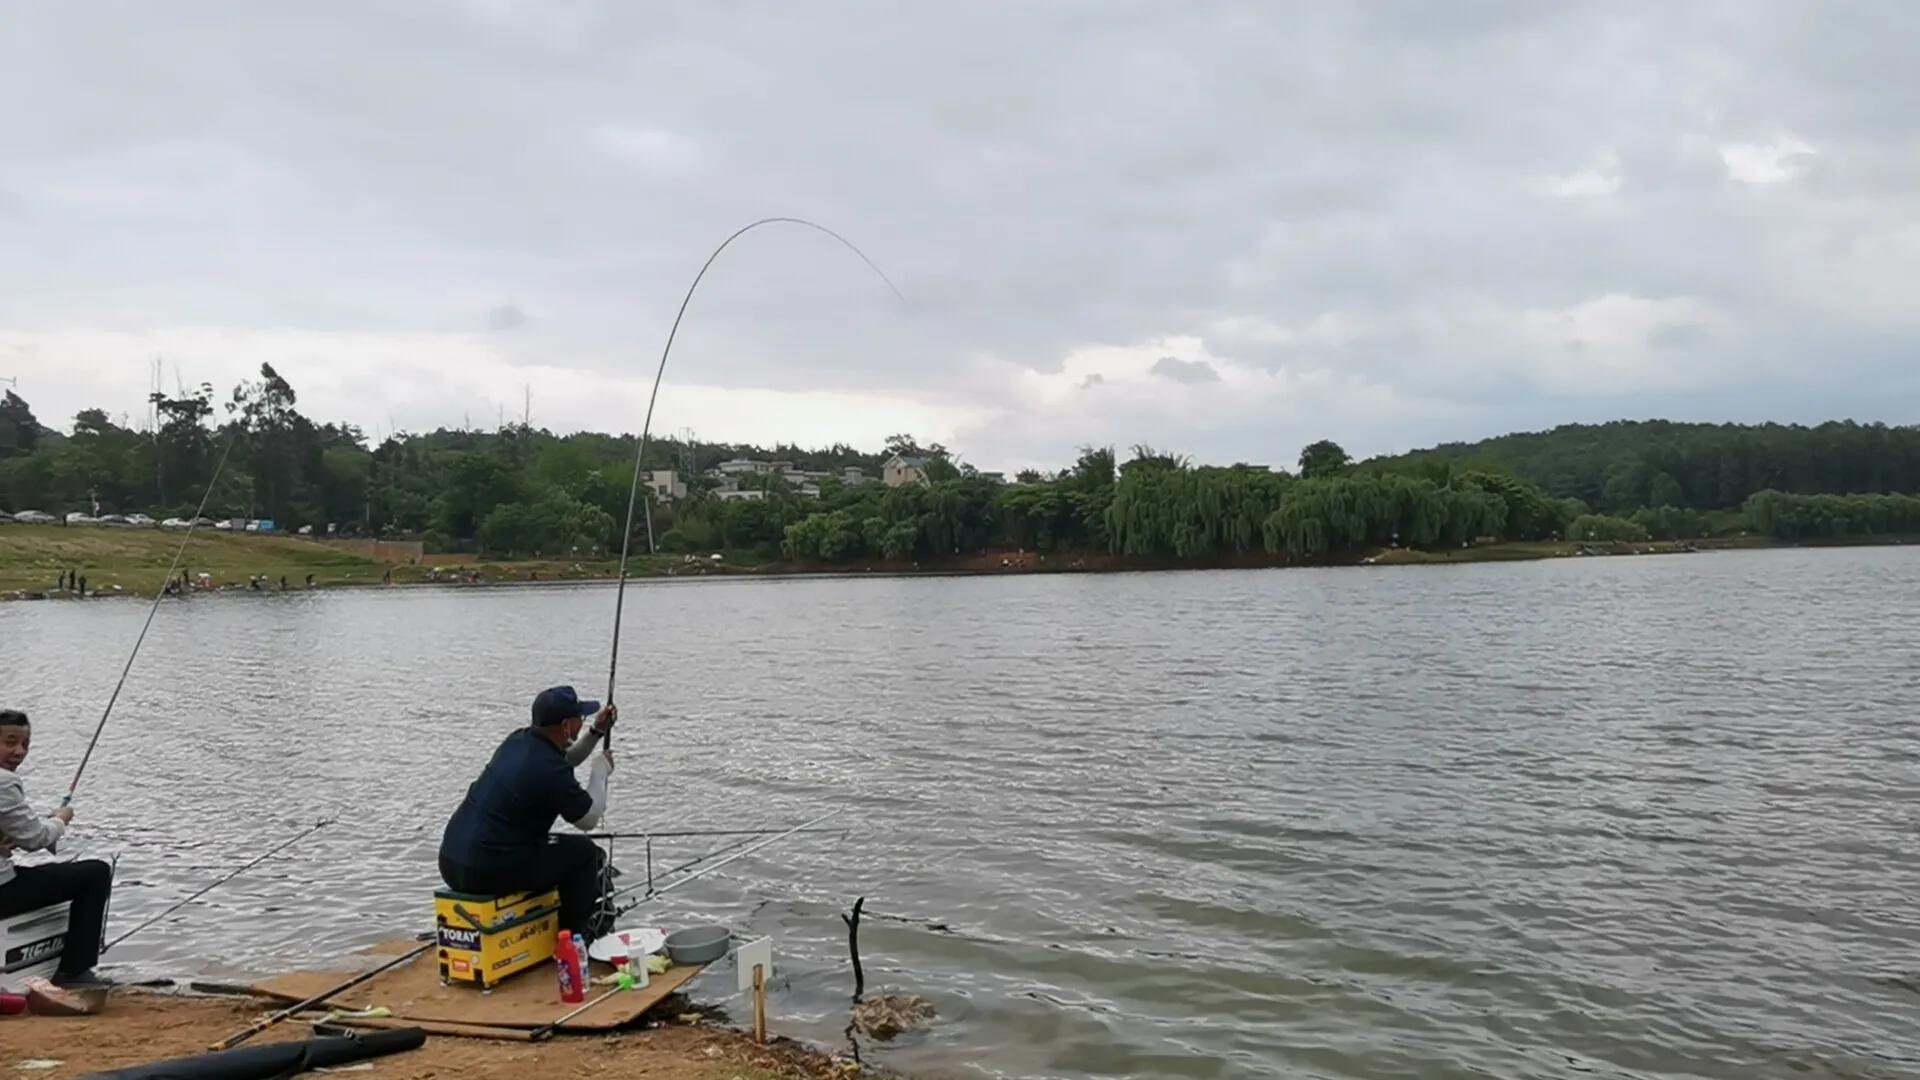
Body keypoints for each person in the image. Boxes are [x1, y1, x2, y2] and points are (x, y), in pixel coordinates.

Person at [438, 687, 617, 943]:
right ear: (566, 726)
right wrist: (600, 771)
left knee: (557, 849)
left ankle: (539, 930)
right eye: (581, 718)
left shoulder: (518, 741)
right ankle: (573, 942)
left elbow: (564, 759)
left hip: (452, 861)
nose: (583, 721)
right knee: (584, 854)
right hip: (486, 869)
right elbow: (588, 819)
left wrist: (596, 732)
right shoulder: (549, 770)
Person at [0, 710, 113, 989]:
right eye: (10, 742)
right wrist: (61, 819)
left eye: (25, 744)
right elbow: (37, 838)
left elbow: (20, 833)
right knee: (95, 873)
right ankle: (75, 972)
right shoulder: (4, 782)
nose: (19, 752)